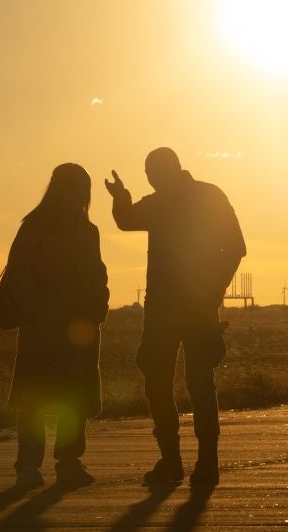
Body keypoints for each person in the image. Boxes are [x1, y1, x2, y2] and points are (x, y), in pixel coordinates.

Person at [105, 147, 245, 487]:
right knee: (190, 381)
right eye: (149, 177)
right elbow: (236, 248)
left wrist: (122, 198)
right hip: (190, 308)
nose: (151, 182)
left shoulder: (168, 201)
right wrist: (213, 290)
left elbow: (126, 219)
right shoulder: (205, 195)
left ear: (168, 170)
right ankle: (199, 463)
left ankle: (178, 462)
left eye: (153, 175)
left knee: (167, 381)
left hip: (172, 309)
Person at [0, 163, 109, 489]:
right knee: (36, 399)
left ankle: (69, 461)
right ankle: (28, 466)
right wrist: (40, 312)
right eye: (75, 187)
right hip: (44, 328)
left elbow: (97, 274)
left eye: (84, 189)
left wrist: (98, 308)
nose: (80, 195)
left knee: (74, 396)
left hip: (80, 327)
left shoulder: (88, 230)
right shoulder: (35, 227)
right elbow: (20, 275)